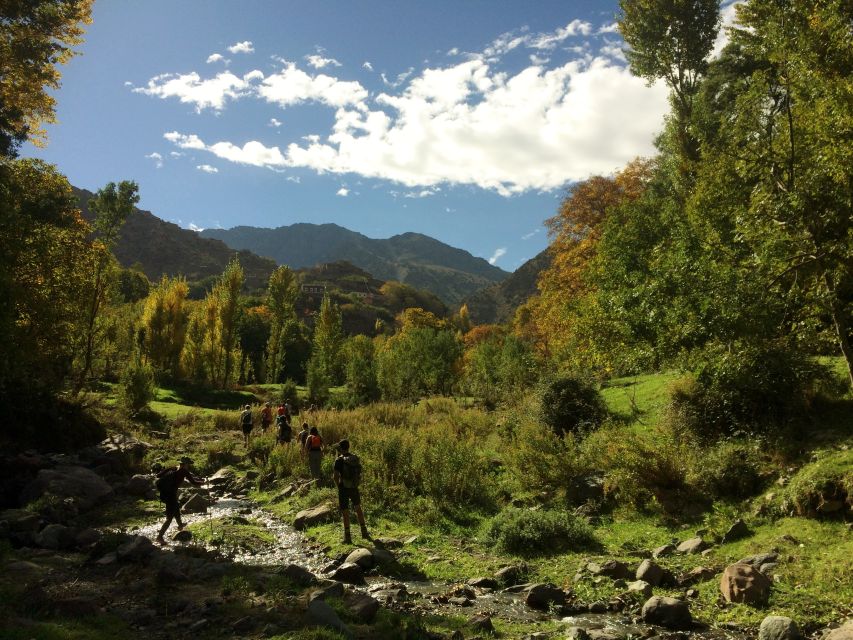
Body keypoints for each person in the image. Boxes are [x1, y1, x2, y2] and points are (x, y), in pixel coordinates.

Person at [155, 457, 204, 545]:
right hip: (170, 495)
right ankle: (159, 537)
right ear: (185, 464)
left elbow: (158, 476)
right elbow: (193, 482)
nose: (189, 466)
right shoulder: (184, 471)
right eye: (188, 464)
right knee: (169, 518)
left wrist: (169, 468)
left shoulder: (173, 469)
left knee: (176, 507)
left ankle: (180, 526)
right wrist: (203, 483)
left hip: (164, 494)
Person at [333, 439, 370, 544]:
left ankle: (348, 537)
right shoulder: (355, 458)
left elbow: (335, 476)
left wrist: (339, 486)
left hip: (343, 488)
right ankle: (364, 532)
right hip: (354, 486)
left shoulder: (339, 460)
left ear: (340, 448)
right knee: (358, 507)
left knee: (345, 511)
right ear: (348, 447)